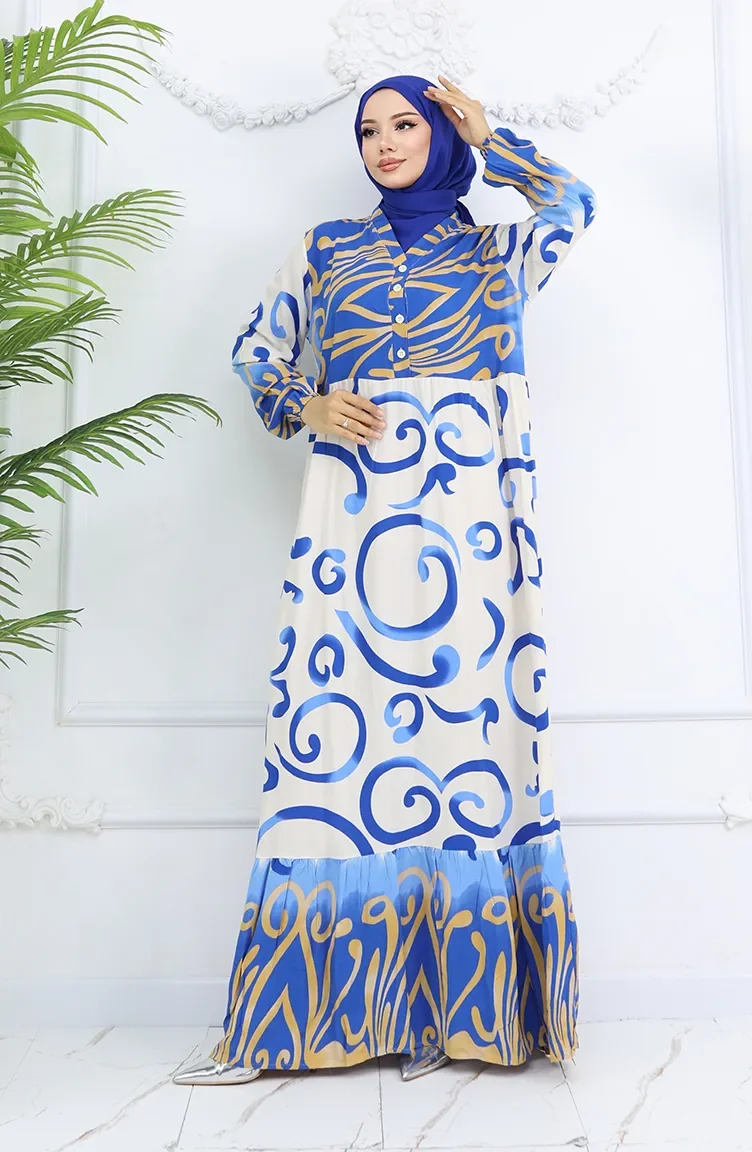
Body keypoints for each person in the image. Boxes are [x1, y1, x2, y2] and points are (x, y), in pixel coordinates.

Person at [173, 71, 596, 1087]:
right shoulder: (326, 250)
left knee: (464, 740)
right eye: (369, 130)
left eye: (406, 124)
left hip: (472, 525)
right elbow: (257, 348)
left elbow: (572, 204)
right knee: (333, 737)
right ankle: (300, 1020)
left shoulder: (496, 255)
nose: (385, 143)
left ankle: (454, 1012)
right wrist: (306, 403)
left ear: (440, 135)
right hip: (353, 513)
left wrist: (491, 138)